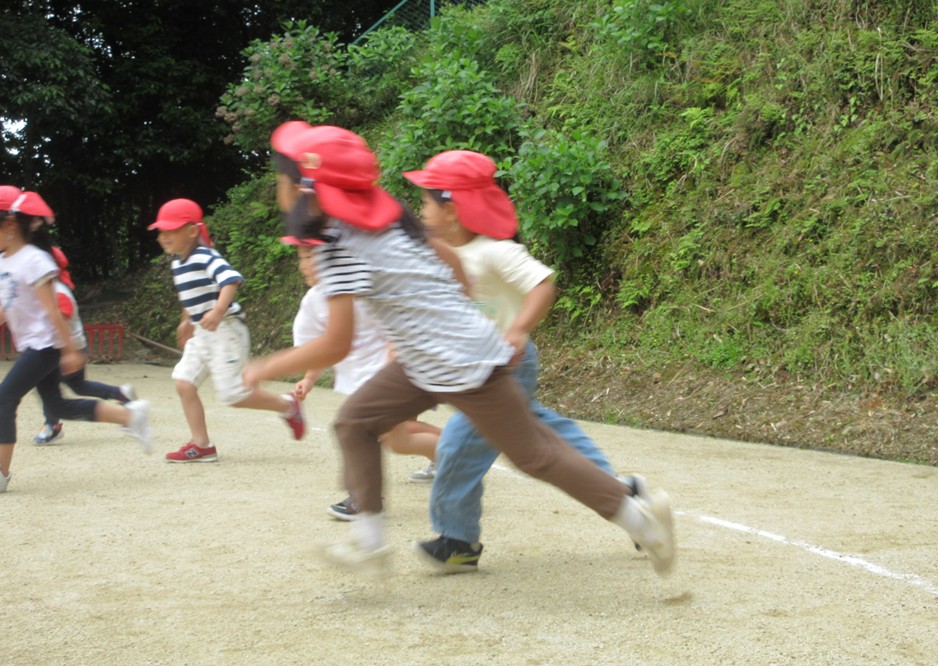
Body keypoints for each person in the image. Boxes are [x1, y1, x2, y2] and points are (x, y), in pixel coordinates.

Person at [242, 122, 675, 577]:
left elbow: (337, 343)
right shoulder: (385, 218)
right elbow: (448, 260)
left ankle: (640, 518)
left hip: (461, 362)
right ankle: (370, 542)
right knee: (355, 421)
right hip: (427, 358)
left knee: (535, 456)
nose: (279, 188)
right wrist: (454, 309)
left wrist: (266, 366)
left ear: (305, 187)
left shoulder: (336, 245)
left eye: (281, 178)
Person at [402, 149, 639, 572]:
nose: (419, 208)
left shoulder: (493, 251)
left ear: (452, 209)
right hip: (479, 367)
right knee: (542, 430)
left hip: (505, 366)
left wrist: (517, 329)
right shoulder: (440, 250)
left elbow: (542, 284)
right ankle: (621, 493)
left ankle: (457, 540)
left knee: (458, 446)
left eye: (425, 200)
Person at [0, 189, 151, 493]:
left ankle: (1, 474)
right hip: (34, 345)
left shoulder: (34, 260)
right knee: (59, 406)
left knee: (3, 399)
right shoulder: (5, 260)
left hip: (46, 344)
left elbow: (53, 310)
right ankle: (130, 415)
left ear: (11, 224)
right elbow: (5, 307)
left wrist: (69, 349)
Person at [284, 234, 439, 520]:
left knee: (373, 433)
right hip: (366, 383)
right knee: (397, 438)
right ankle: (457, 454)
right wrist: (309, 378)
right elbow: (319, 348)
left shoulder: (365, 288)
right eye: (301, 258)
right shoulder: (314, 301)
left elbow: (399, 327)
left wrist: (392, 372)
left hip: (395, 375)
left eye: (310, 256)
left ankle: (365, 500)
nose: (304, 265)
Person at [148, 198, 305, 462]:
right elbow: (192, 296)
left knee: (233, 394)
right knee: (184, 383)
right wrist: (186, 320)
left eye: (170, 230)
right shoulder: (178, 262)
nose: (163, 237)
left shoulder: (206, 255)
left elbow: (231, 280)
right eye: (161, 232)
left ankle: (288, 406)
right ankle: (202, 445)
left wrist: (218, 311)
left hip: (226, 331)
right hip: (202, 333)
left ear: (192, 230)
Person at [33, 246, 137, 445]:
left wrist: (67, 352)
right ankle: (121, 393)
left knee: (47, 382)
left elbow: (57, 322)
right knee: (77, 385)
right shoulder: (50, 289)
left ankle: (52, 424)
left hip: (67, 349)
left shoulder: (57, 292)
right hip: (68, 347)